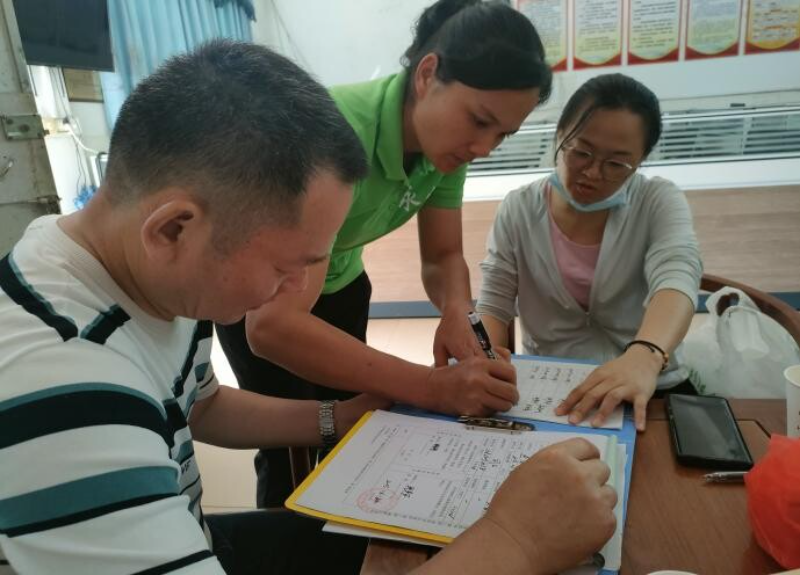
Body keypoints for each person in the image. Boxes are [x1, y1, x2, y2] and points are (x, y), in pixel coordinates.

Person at [0, 41, 617, 575]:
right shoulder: (65, 393)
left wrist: (342, 416)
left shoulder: (129, 269)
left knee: (407, 540)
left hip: (191, 533)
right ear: (173, 229)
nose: (300, 289)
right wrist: (514, 540)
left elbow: (202, 406)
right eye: (285, 266)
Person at [215, 0, 554, 508]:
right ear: (428, 74)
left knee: (350, 434)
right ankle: (287, 539)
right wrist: (431, 386)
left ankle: (344, 533)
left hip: (341, 281)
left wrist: (459, 313)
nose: (484, 147)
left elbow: (443, 255)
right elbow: (271, 327)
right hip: (259, 296)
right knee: (292, 449)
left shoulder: (448, 146)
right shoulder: (334, 136)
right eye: (479, 121)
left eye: (502, 134)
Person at [476, 73, 703, 432]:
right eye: (581, 152)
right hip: (551, 391)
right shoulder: (519, 208)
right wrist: (483, 364)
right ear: (559, 134)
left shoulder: (657, 200)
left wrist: (645, 354)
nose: (593, 173)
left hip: (650, 385)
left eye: (616, 164)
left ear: (640, 160)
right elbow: (494, 302)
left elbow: (677, 276)